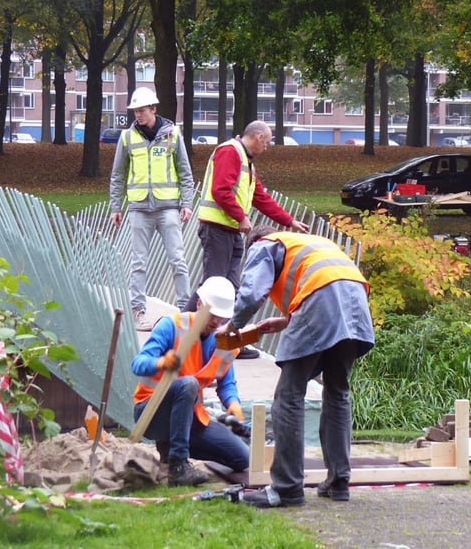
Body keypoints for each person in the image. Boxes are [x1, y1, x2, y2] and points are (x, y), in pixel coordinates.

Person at [228, 226, 375, 508]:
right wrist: (285, 321)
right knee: (337, 391)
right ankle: (339, 481)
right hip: (355, 298)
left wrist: (233, 327)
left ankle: (287, 488)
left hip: (323, 297)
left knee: (288, 396)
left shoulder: (265, 244)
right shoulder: (310, 242)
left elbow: (250, 294)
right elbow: (327, 284)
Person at [187, 120, 309, 356]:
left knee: (232, 287)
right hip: (217, 228)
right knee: (212, 285)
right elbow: (220, 191)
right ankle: (184, 333)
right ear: (259, 137)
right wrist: (241, 217)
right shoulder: (229, 152)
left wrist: (288, 221)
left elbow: (260, 197)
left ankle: (226, 341)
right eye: (268, 141)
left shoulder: (247, 164)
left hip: (230, 230)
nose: (268, 147)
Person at [130, 276, 250, 486]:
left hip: (189, 417)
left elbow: (226, 383)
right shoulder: (172, 325)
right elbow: (137, 364)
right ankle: (178, 467)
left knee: (242, 457)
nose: (215, 322)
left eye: (221, 318)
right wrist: (161, 362)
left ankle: (172, 447)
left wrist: (233, 404)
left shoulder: (221, 340)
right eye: (212, 315)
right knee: (188, 384)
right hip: (150, 413)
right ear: (199, 304)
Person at [109, 87, 194, 331]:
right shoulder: (127, 137)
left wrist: (186, 203)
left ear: (153, 109)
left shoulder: (173, 135)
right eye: (136, 110)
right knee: (138, 263)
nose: (138, 115)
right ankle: (139, 312)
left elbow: (185, 172)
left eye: (142, 110)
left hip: (168, 207)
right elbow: (117, 175)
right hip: (138, 209)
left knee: (178, 260)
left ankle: (184, 311)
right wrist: (116, 206)